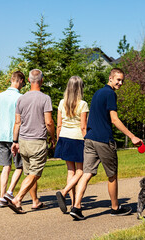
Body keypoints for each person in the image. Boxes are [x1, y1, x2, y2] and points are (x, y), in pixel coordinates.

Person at [70, 68, 142, 220]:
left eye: (122, 80)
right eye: (118, 80)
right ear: (110, 78)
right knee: (112, 175)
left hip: (89, 138)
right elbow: (114, 119)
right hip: (103, 140)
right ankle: (115, 208)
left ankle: (76, 207)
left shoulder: (97, 93)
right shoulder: (110, 94)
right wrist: (133, 136)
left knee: (87, 173)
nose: (120, 83)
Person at [4, 69, 55, 214]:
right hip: (37, 141)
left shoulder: (21, 98)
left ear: (28, 80)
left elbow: (17, 122)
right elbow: (49, 122)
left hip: (23, 141)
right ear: (42, 80)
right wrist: (53, 137)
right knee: (35, 173)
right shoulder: (45, 98)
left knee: (29, 173)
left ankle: (35, 201)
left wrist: (15, 141)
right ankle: (17, 199)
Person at [54, 76, 89, 213]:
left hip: (64, 137)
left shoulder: (62, 103)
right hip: (78, 139)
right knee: (81, 171)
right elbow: (83, 127)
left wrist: (58, 141)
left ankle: (73, 201)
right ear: (80, 88)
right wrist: (87, 142)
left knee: (71, 171)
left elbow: (58, 124)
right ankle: (64, 192)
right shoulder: (83, 104)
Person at [0, 71, 25, 208]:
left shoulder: (0, 96)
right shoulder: (20, 98)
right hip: (14, 136)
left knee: (6, 166)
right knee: (20, 166)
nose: (23, 85)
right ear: (19, 81)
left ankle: (2, 197)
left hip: (0, 135)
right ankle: (10, 192)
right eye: (23, 83)